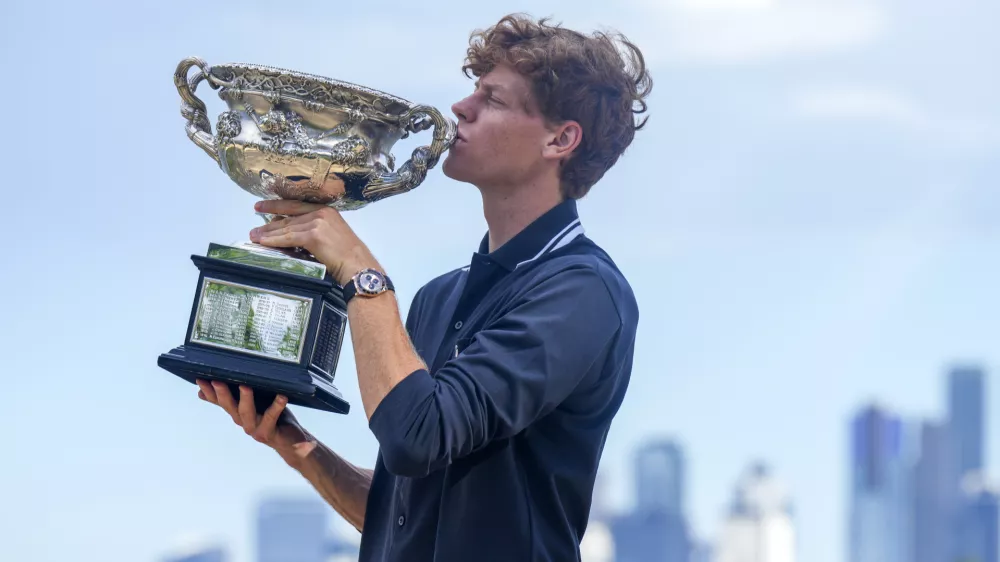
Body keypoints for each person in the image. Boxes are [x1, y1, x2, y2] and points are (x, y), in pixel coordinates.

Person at [194, 13, 652, 562]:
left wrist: (361, 273)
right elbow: (398, 517)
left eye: (494, 99)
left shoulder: (583, 292)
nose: (461, 108)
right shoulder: (440, 296)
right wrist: (295, 445)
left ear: (561, 138)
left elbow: (418, 435)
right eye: (471, 92)